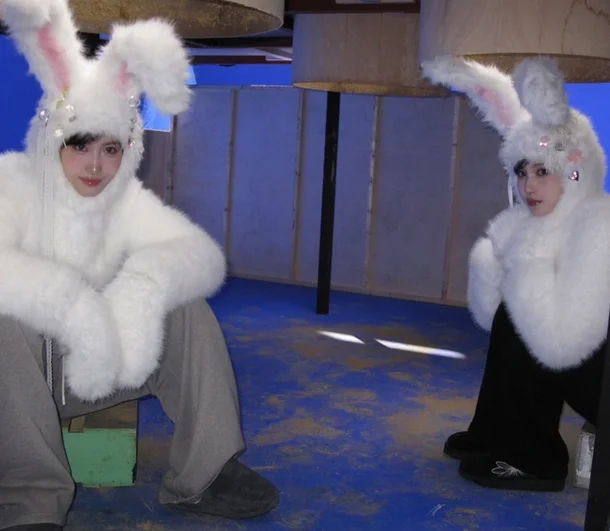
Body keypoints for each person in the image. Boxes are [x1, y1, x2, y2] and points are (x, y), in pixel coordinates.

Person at [0, 1, 278, 529]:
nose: (96, 165)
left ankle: (205, 473)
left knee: (184, 305)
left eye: (111, 149)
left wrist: (144, 284)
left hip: (91, 372)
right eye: (81, 146)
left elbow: (199, 260)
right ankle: (29, 500)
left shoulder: (125, 204)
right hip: (16, 395)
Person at [421, 54, 610, 492]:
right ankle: (496, 434)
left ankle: (535, 460)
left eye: (543, 172)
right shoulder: (546, 224)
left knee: (524, 314)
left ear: (575, 172)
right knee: (514, 314)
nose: (528, 185)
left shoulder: (598, 226)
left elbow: (562, 344)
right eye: (523, 171)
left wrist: (527, 271)